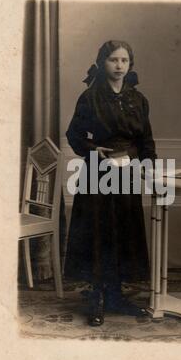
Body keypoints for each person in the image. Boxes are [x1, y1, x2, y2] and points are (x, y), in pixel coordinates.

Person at [64, 40, 157, 326]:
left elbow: (145, 140)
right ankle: (97, 299)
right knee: (98, 234)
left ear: (130, 64)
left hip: (127, 175)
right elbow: (74, 135)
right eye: (113, 60)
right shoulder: (89, 97)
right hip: (97, 175)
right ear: (102, 63)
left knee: (123, 233)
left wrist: (149, 165)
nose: (119, 66)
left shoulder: (138, 100)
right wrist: (94, 150)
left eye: (124, 61)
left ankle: (116, 296)